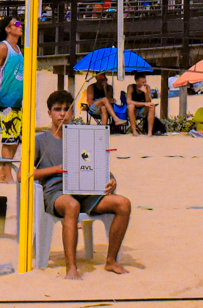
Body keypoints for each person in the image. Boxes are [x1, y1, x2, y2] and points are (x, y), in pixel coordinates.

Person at [33, 89, 133, 280]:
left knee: (123, 204)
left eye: (66, 109)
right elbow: (23, 174)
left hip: (86, 190)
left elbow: (98, 164)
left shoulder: (82, 136)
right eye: (57, 109)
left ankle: (111, 260)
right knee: (72, 205)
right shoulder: (40, 141)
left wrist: (111, 179)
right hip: (57, 193)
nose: (62, 114)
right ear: (49, 113)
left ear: (72, 112)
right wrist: (56, 169)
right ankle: (71, 267)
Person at [0, 17, 29, 213]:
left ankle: (4, 172)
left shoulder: (19, 49)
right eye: (16, 24)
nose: (20, 27)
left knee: (17, 138)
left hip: (18, 100)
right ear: (7, 29)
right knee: (9, 138)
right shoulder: (3, 48)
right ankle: (6, 174)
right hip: (6, 99)